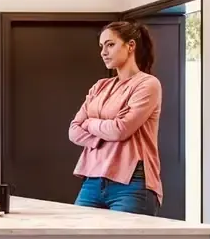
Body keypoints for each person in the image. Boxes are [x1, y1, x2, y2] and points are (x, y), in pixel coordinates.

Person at [67, 20, 162, 215]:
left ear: (130, 46)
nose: (103, 52)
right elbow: (74, 130)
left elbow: (121, 129)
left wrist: (90, 122)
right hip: (92, 178)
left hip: (131, 183)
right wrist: (104, 132)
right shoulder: (100, 86)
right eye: (102, 47)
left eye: (110, 44)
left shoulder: (148, 84)